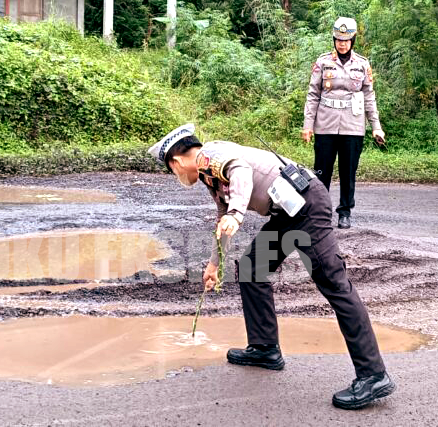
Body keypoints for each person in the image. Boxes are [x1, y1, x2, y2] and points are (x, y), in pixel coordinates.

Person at [148, 123, 395, 410]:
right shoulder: (208, 175)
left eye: (171, 169)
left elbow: (240, 171)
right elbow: (223, 217)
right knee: (252, 268)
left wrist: (238, 213)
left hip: (308, 206)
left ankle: (373, 375)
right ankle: (265, 348)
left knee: (335, 284)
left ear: (176, 161)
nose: (176, 175)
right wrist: (214, 264)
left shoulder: (209, 155)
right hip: (288, 212)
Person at [302, 17, 385, 229]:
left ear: (353, 40)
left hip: (353, 126)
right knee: (322, 172)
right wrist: (308, 125)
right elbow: (313, 94)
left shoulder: (362, 64)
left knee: (348, 171)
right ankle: (320, 212)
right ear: (334, 39)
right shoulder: (322, 62)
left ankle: (345, 211)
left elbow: (369, 96)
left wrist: (376, 126)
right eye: (339, 39)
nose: (342, 43)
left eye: (346, 40)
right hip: (325, 124)